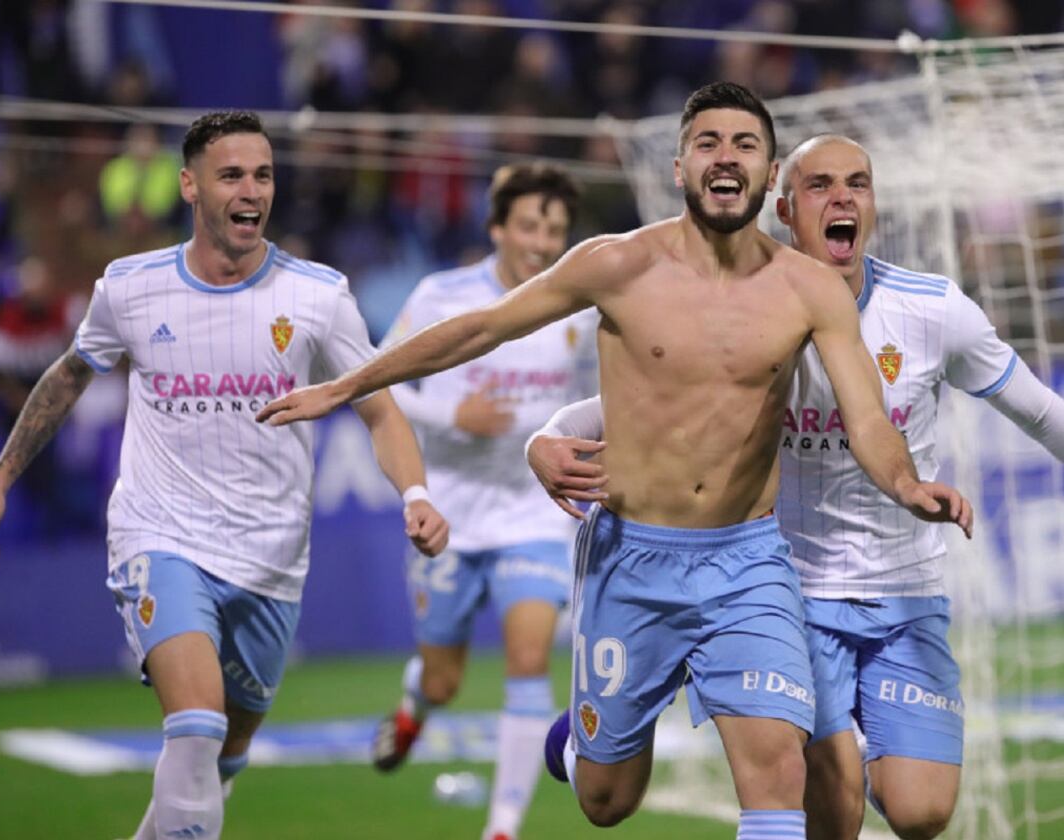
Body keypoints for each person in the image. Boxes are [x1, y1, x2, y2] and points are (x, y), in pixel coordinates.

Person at [255, 84, 972, 840]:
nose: (725, 157)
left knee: (777, 774)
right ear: (679, 168)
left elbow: (867, 417)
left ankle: (710, 668)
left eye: (745, 145)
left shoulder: (809, 289)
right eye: (708, 143)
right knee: (606, 801)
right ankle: (593, 733)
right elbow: (481, 329)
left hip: (749, 562)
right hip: (633, 560)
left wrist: (906, 485)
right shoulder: (618, 265)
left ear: (768, 178)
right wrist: (348, 383)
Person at [524, 134, 1064, 840]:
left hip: (906, 593)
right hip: (790, 593)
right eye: (820, 185)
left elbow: (1040, 410)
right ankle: (689, 681)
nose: (842, 198)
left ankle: (688, 674)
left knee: (921, 810)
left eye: (858, 184)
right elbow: (613, 408)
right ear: (783, 207)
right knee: (831, 815)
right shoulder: (751, 310)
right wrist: (542, 440)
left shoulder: (934, 311)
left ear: (872, 205)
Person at [0, 111, 449, 840]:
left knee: (220, 760)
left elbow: (381, 411)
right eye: (231, 174)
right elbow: (69, 377)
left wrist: (416, 494)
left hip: (269, 560)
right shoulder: (131, 288)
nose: (251, 189)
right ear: (190, 186)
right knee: (196, 724)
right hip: (159, 534)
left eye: (263, 174)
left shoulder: (319, 296)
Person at [371, 163, 597, 840]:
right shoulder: (442, 297)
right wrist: (450, 413)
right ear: (497, 228)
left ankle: (501, 830)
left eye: (555, 229)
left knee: (530, 660)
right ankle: (415, 707)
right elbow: (379, 386)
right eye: (529, 225)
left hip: (534, 512)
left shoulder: (580, 309)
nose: (541, 241)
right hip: (450, 514)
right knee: (443, 680)